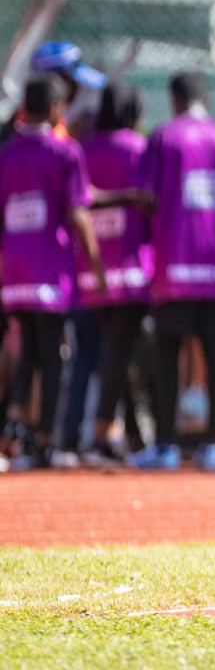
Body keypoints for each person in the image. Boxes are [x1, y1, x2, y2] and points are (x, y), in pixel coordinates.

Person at [126, 71, 215, 470]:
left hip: (175, 266)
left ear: (174, 100)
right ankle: (212, 445)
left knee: (168, 352)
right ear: (209, 97)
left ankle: (166, 444)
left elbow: (144, 195)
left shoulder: (164, 136)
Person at [0, 75, 105, 469]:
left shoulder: (6, 153)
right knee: (52, 351)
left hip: (13, 270)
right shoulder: (64, 152)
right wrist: (96, 265)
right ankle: (44, 438)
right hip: (49, 270)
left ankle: (14, 428)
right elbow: (78, 212)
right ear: (59, 109)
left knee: (28, 348)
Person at [73, 82, 155, 464]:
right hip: (133, 268)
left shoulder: (83, 151)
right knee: (121, 353)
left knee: (116, 352)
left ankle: (133, 434)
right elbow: (151, 201)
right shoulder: (139, 148)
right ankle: (103, 430)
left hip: (91, 269)